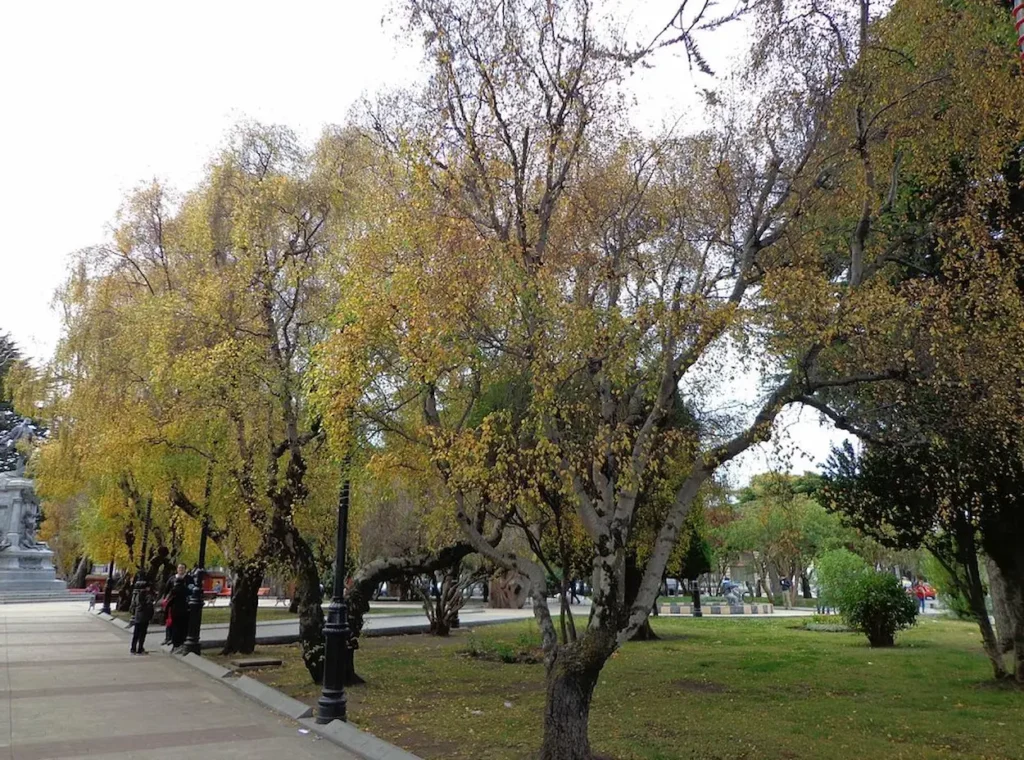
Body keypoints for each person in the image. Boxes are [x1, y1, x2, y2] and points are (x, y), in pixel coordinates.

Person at [167, 563, 191, 650]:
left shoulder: (188, 578)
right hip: (183, 608)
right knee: (181, 626)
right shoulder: (172, 579)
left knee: (176, 626)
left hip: (175, 609)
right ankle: (177, 641)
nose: (181, 569)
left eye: (183, 568)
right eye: (179, 568)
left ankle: (175, 643)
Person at [130, 585, 155, 655]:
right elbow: (150, 607)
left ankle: (133, 649)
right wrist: (150, 616)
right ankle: (140, 649)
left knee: (136, 634)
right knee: (142, 635)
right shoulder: (148, 597)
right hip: (144, 618)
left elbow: (133, 606)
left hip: (138, 618)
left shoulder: (137, 597)